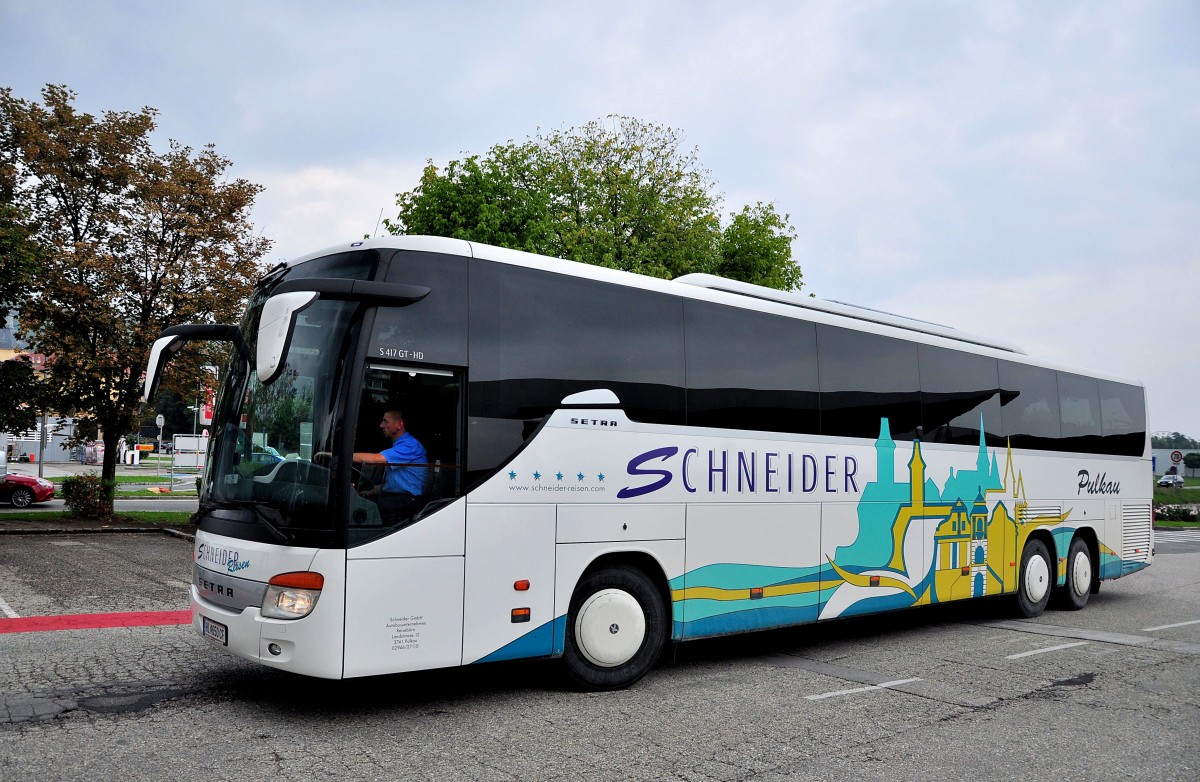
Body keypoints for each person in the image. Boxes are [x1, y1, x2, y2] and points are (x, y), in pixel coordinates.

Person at [351, 410, 428, 518]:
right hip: (397, 499)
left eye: (385, 421)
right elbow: (394, 484)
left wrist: (342, 456)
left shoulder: (410, 445)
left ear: (399, 424)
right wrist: (369, 491)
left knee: (361, 510)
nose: (381, 425)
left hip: (408, 501)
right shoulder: (400, 445)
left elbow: (376, 459)